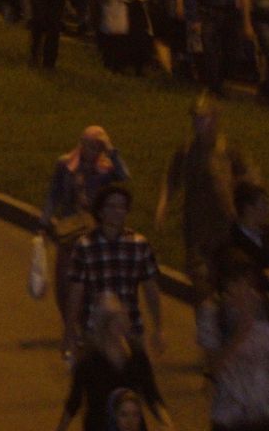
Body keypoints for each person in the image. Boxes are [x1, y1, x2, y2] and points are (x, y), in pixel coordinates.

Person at [155, 95, 257, 302]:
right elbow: (171, 177)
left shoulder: (228, 150)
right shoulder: (186, 150)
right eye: (195, 118)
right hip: (196, 226)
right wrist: (163, 205)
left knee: (223, 276)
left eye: (203, 118)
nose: (197, 123)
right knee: (199, 278)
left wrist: (240, 203)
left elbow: (250, 179)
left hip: (224, 225)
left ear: (216, 119)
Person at [42, 127, 131, 354]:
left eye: (98, 147)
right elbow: (54, 194)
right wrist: (45, 222)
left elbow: (125, 177)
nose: (94, 151)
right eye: (91, 145)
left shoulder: (106, 168)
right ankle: (70, 326)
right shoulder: (65, 164)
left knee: (91, 283)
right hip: (70, 230)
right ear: (81, 144)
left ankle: (87, 326)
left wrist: (112, 151)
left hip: (94, 232)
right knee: (64, 280)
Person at [197, 253, 269, 431]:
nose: (238, 291)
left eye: (242, 282)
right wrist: (240, 333)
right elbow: (213, 366)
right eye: (230, 285)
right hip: (230, 416)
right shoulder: (213, 312)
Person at [66, 184, 165, 362]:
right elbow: (76, 291)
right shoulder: (85, 246)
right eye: (111, 206)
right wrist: (70, 330)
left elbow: (150, 289)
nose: (117, 211)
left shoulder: (139, 245)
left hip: (130, 328)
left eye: (122, 207)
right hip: (95, 330)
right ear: (101, 211)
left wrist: (158, 328)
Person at [56, 293, 170, 431]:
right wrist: (62, 427)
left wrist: (167, 422)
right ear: (104, 324)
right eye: (115, 320)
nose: (122, 325)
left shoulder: (137, 356)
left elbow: (151, 394)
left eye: (123, 319)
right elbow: (74, 401)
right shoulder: (90, 361)